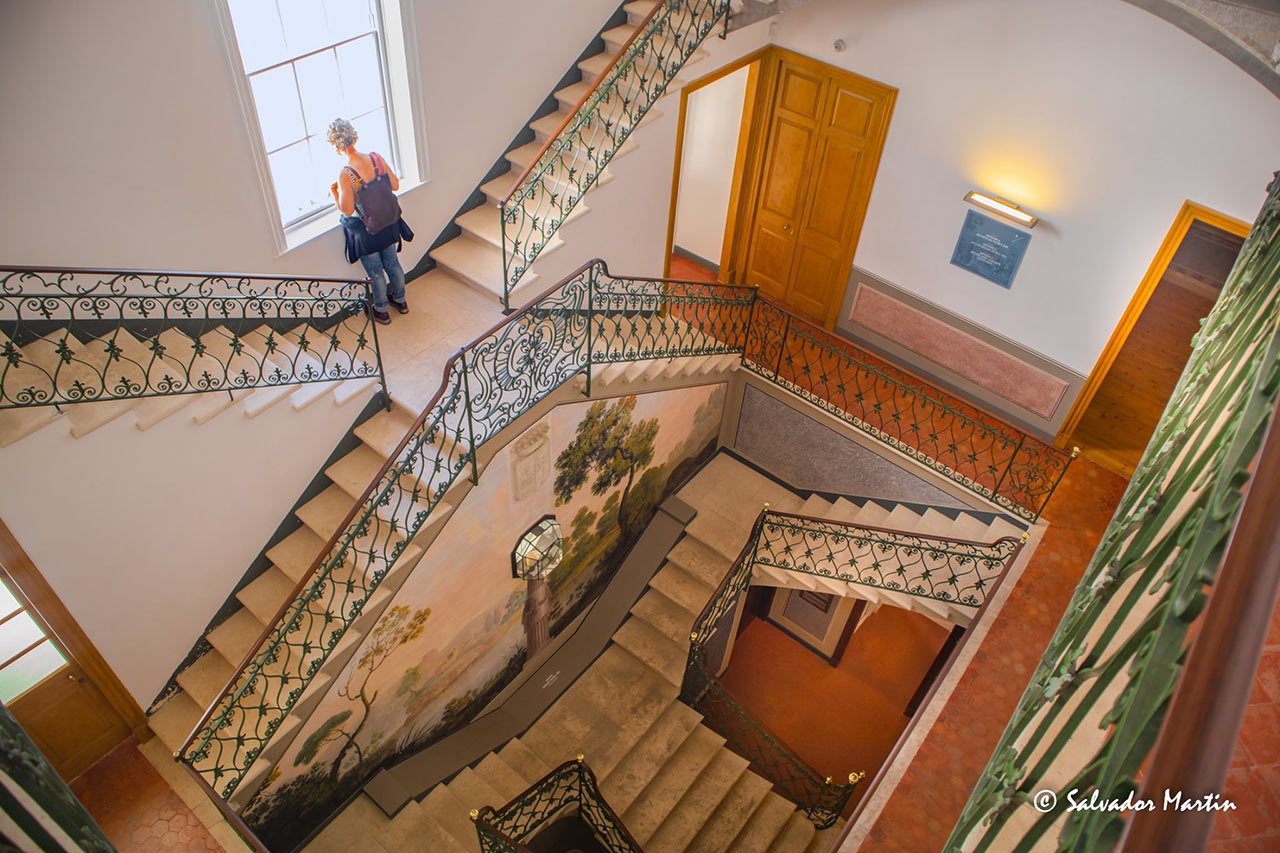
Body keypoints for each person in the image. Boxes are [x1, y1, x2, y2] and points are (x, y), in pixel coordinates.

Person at [327, 118, 410, 324]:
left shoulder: (347, 174)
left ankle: (381, 310)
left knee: (375, 271)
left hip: (367, 229)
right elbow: (395, 185)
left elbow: (347, 210)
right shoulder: (376, 158)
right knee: (393, 263)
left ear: (336, 147)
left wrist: (335, 194)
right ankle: (400, 300)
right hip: (388, 222)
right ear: (355, 137)